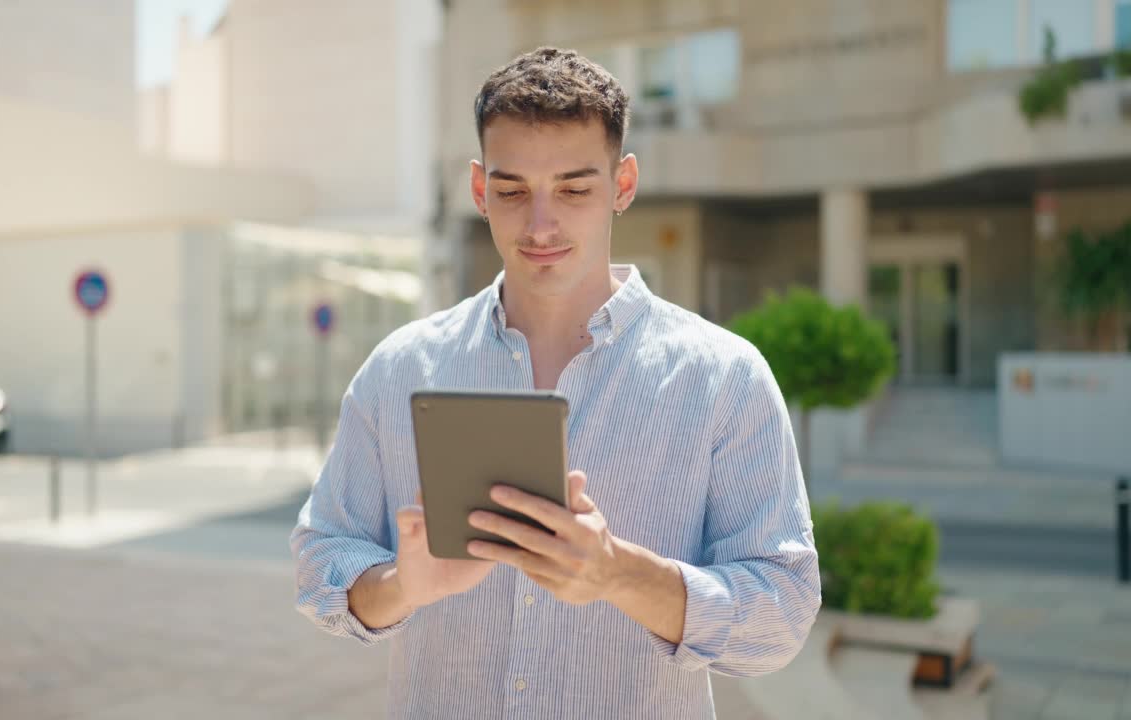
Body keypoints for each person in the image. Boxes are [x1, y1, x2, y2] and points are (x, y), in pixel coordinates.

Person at [290, 47, 820, 719]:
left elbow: (783, 614)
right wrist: (401, 586)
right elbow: (319, 563)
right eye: (512, 192)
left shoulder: (725, 378)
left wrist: (617, 574)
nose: (541, 225)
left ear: (623, 185)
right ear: (481, 191)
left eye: (574, 189)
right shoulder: (400, 369)